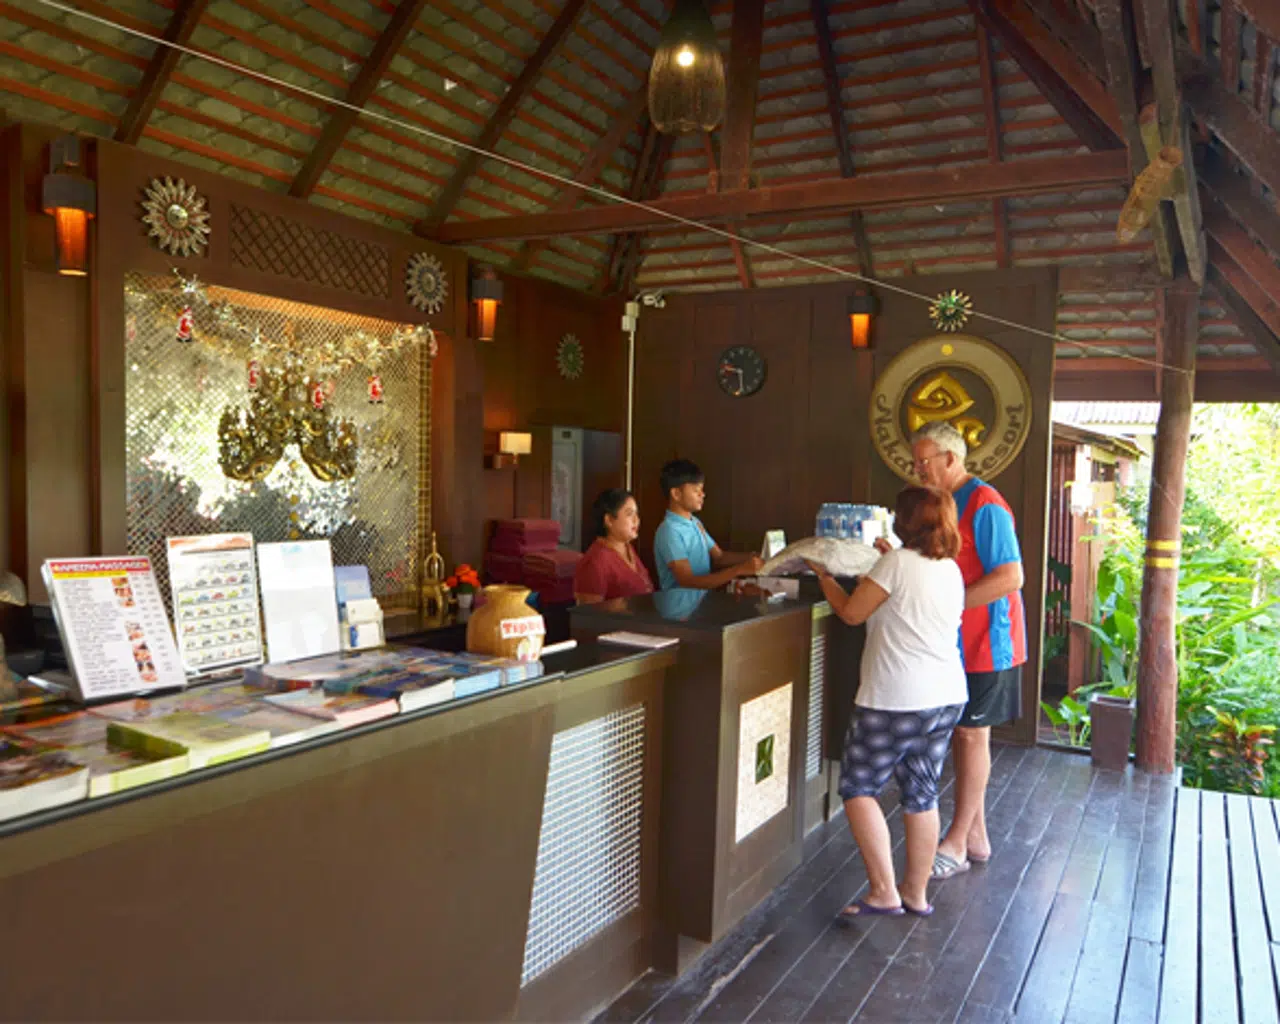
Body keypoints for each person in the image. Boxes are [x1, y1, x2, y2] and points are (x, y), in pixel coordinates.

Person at [809, 485, 967, 918]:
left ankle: (883, 891)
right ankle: (915, 892)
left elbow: (852, 612)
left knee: (859, 788)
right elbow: (902, 600)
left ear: (905, 522)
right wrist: (885, 560)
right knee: (922, 792)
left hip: (895, 698)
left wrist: (824, 578)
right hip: (945, 696)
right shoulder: (949, 568)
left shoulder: (896, 563)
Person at [905, 421, 1027, 879]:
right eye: (916, 463)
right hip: (955, 642)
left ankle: (956, 841)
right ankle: (975, 837)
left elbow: (1010, 577)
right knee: (964, 734)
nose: (918, 471)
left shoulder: (985, 503)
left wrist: (949, 603)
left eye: (924, 463)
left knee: (973, 735)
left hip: (989, 643)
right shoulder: (944, 504)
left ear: (951, 459)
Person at [652, 459, 763, 591]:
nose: (702, 495)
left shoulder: (695, 522)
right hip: (680, 604)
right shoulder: (670, 531)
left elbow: (719, 557)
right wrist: (739, 570)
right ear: (676, 494)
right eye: (696, 490)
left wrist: (756, 556)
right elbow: (688, 581)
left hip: (701, 601)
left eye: (702, 490)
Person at [574, 488, 654, 604]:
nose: (636, 520)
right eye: (629, 514)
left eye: (636, 514)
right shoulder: (595, 561)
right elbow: (589, 613)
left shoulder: (627, 547)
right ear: (609, 520)